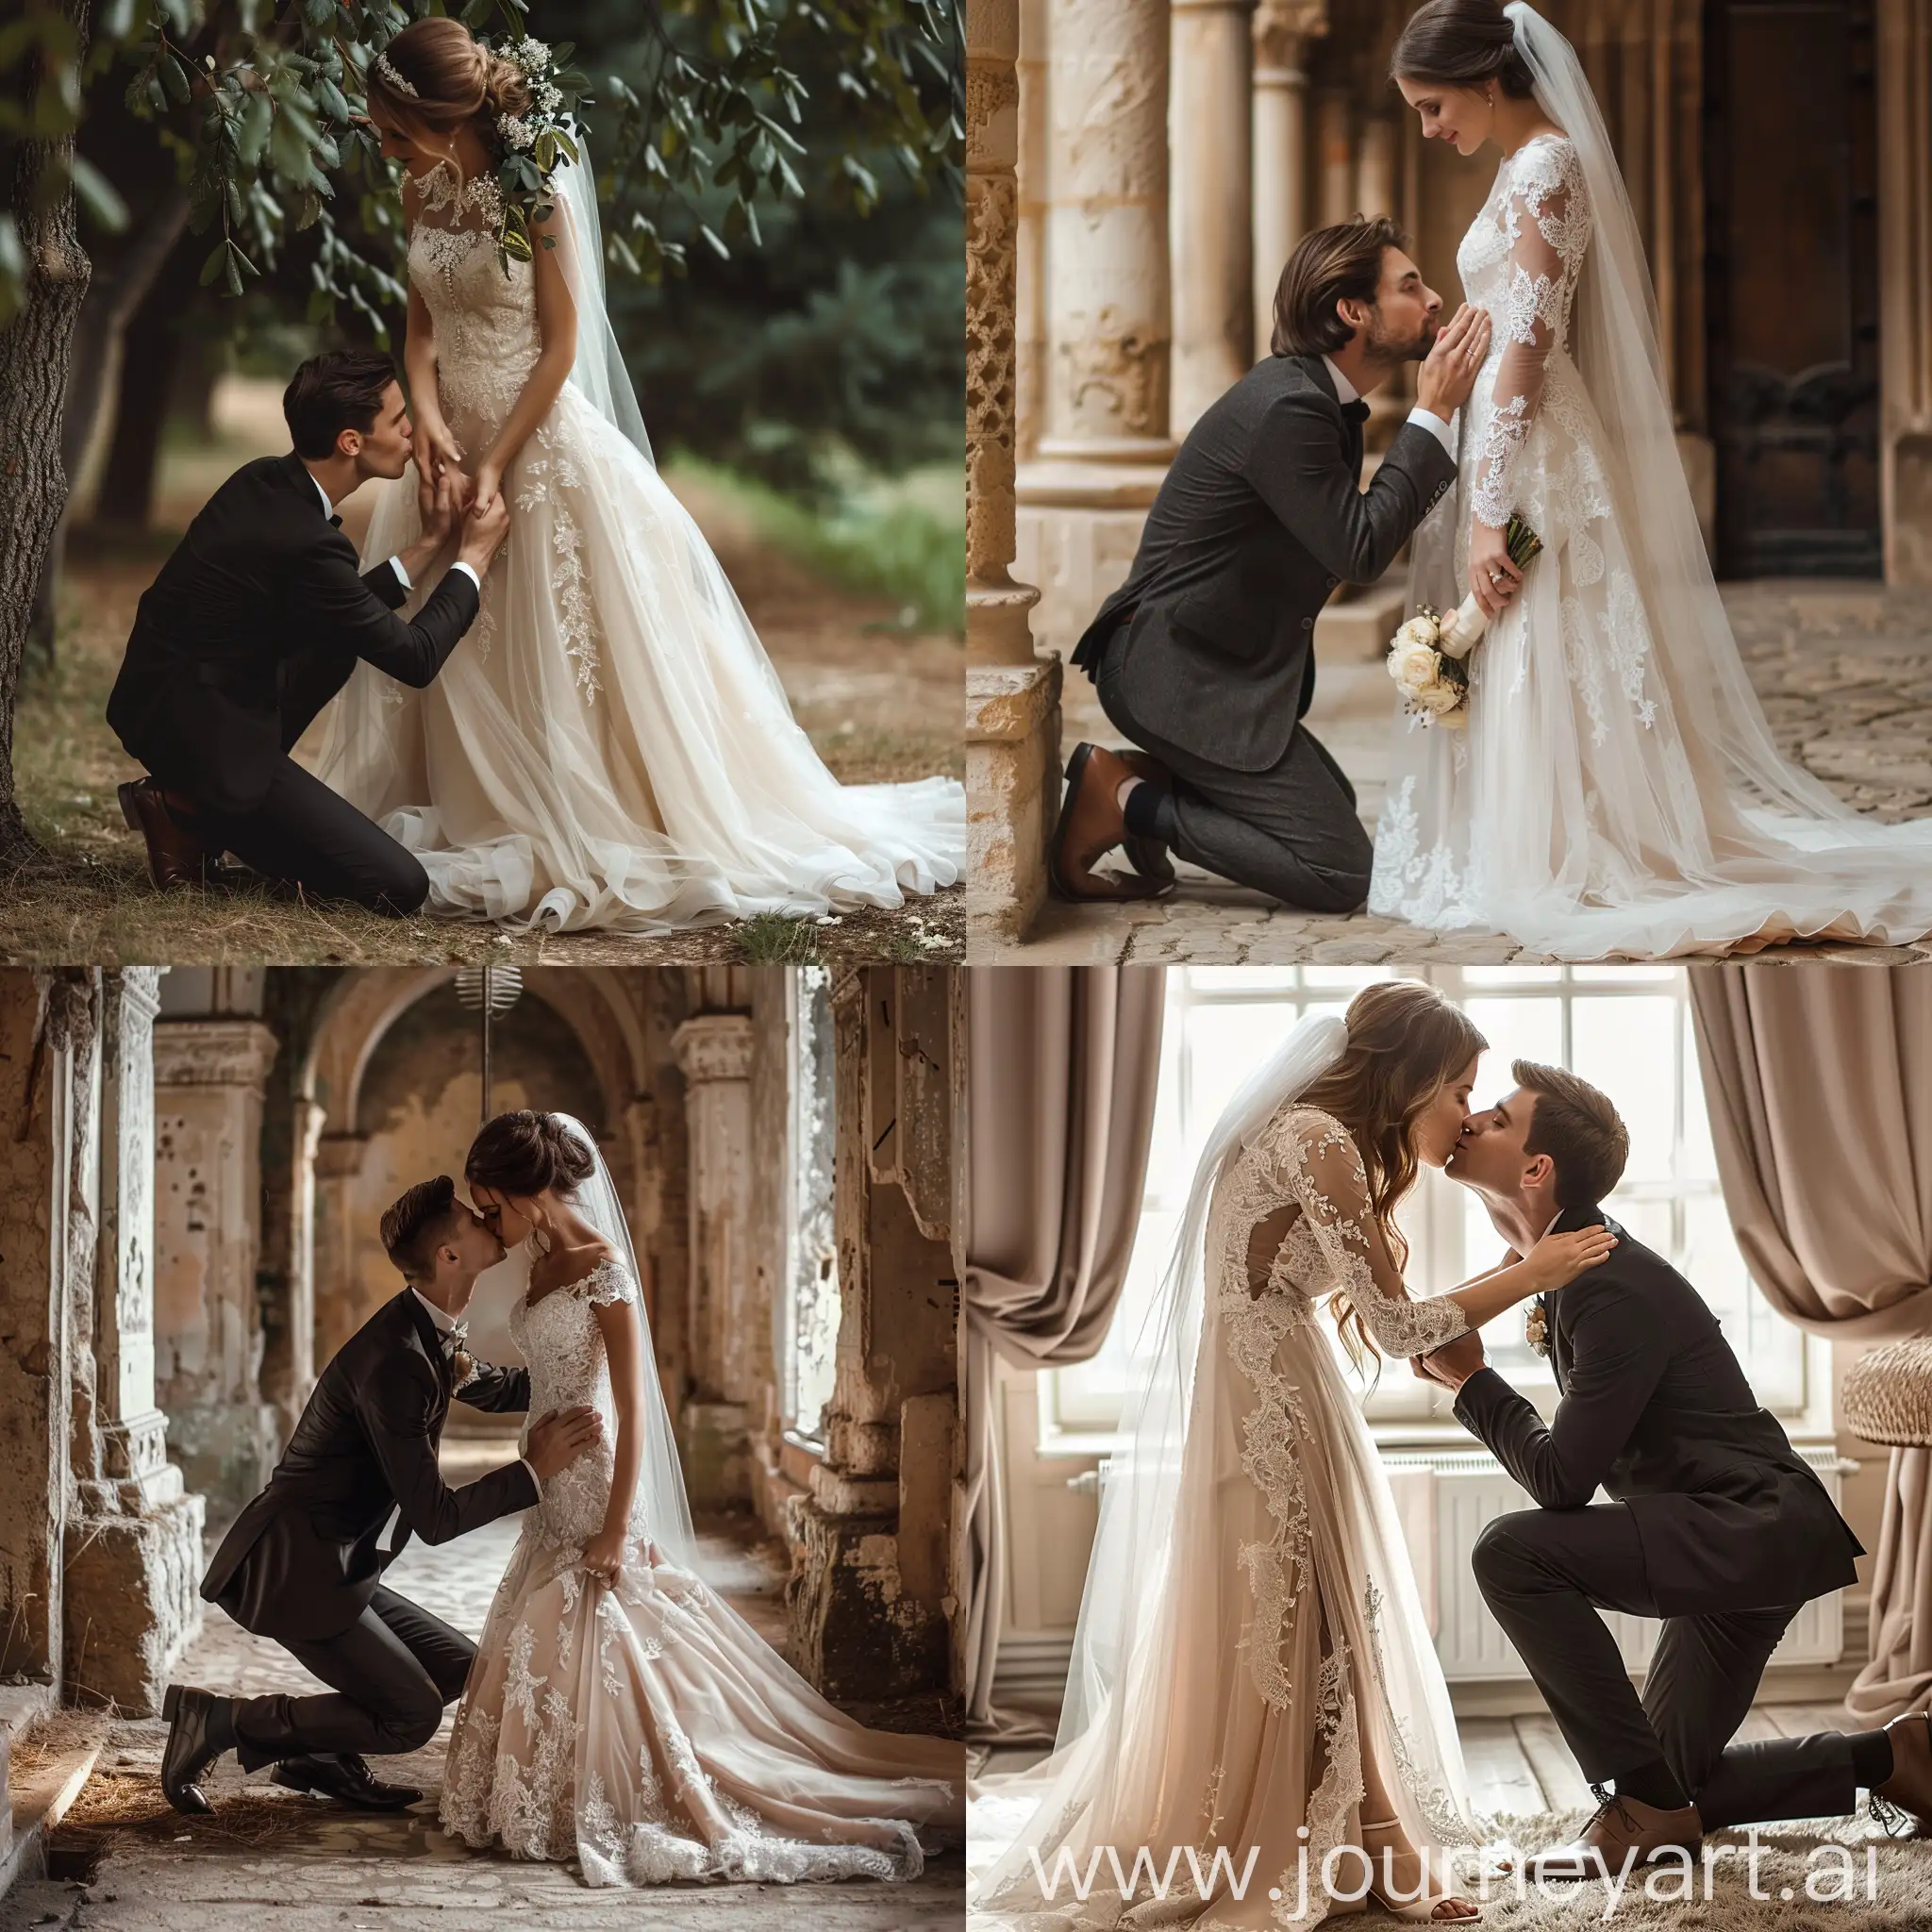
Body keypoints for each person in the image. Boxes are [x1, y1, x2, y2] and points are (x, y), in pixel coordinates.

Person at [969, 983, 1616, 1927]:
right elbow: (1396, 1326)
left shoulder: (1315, 1134)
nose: (1463, 1115)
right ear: (1408, 1079)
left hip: (1268, 1372)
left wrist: (1512, 1278)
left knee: (1312, 1608)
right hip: (1262, 1389)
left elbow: (1377, 1305)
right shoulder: (1313, 1136)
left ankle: (1368, 1828)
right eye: (1457, 1090)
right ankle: (1352, 1837)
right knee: (1292, 1608)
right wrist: (1535, 1271)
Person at [308, 17, 963, 931]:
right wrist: (428, 426)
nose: (382, 148)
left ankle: (580, 799)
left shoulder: (532, 198)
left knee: (554, 631)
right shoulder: (421, 188)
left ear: (444, 115)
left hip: (535, 439)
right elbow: (418, 329)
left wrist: (495, 458)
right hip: (447, 440)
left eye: (392, 130)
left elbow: (561, 345)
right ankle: (469, 797)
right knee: (451, 630)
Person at [1372, 0, 1932, 958]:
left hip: (1535, 443)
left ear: (1485, 78)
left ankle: (1572, 843)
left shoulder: (1545, 164)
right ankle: (1537, 829)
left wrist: (1489, 504)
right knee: (1528, 634)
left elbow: (1529, 345)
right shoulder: (1520, 164)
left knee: (1540, 618)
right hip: (1516, 435)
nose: (1428, 130)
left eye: (1431, 106)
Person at [1421, 1062, 1932, 1878]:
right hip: (1740, 1529)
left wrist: (1473, 1384)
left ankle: (1640, 1812)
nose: (1471, 1122)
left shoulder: (1611, 1282)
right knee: (1670, 1779)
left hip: (1746, 1523)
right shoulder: (1566, 1268)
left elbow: (1561, 1482)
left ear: (1534, 1168)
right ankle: (1890, 1757)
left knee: (1509, 1552)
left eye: (1495, 1116)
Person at [441, 1109, 961, 1885]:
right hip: (550, 1488)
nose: (488, 1220)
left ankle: (645, 1775)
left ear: (529, 1191)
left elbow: (635, 1408)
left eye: (491, 1205)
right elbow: (547, 1374)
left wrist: (618, 1526)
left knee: (610, 1636)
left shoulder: (602, 1266)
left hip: (592, 1481)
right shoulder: (540, 1255)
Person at [1044, 220, 1493, 908]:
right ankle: (1125, 799)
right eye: (1409, 287)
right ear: (1352, 311)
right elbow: (1361, 549)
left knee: (1334, 801)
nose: (1434, 299)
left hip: (1217, 671)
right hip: (1171, 674)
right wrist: (1431, 414)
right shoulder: (1289, 406)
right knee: (1340, 874)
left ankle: (1151, 780)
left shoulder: (1319, 400)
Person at [158, 1176, 601, 1813]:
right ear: (450, 1257)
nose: (484, 1216)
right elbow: (434, 1519)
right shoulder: (397, 1360)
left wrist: (580, 1369)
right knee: (411, 1716)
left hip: (335, 1563)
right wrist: (531, 1471)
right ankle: (222, 1720)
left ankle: (320, 1757)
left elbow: (495, 1388)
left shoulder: (428, 1329)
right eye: (471, 1219)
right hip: (295, 1570)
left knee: (458, 1670)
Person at [107, 351, 509, 913]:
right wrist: (473, 559)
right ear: (351, 441)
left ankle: (195, 808)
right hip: (205, 734)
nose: (412, 431)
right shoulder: (308, 542)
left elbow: (342, 610)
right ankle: (183, 808)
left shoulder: (263, 480)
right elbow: (414, 658)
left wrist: (429, 544)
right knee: (399, 886)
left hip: (164, 702)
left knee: (337, 646)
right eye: (398, 421)